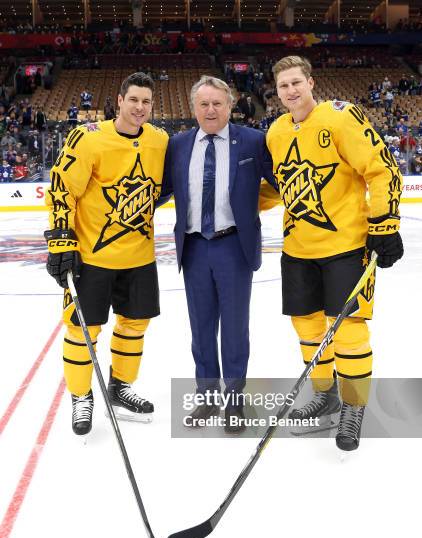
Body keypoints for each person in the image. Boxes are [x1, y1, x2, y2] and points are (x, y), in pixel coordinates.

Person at [265, 56, 403, 451]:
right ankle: (325, 395)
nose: (290, 91)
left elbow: (382, 169)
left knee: (349, 331)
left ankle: (353, 407)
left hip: (346, 246)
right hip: (297, 249)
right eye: (282, 86)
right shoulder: (276, 131)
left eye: (296, 83)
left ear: (311, 82)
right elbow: (279, 186)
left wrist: (384, 224)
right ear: (276, 93)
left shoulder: (342, 117)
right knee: (308, 330)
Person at [44, 72, 168, 435]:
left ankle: (120, 388)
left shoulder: (159, 141)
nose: (140, 107)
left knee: (134, 325)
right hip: (93, 258)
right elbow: (61, 188)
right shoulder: (88, 138)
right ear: (119, 100)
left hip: (139, 256)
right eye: (134, 100)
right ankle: (81, 397)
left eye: (146, 101)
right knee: (83, 329)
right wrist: (62, 240)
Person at [161, 75, 277, 434]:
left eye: (217, 104)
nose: (210, 110)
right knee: (201, 327)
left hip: (233, 245)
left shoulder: (254, 141)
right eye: (204, 104)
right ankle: (208, 397)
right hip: (194, 247)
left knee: (235, 328)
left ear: (230, 106)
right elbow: (158, 189)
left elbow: (283, 181)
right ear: (193, 108)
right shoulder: (178, 144)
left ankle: (235, 398)